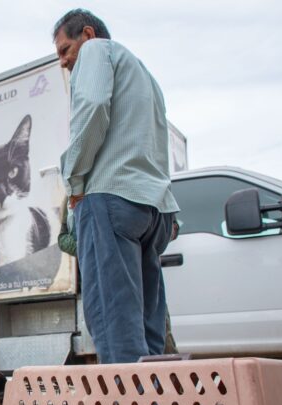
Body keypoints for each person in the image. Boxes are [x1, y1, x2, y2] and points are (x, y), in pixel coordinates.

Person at [53, 9, 179, 364]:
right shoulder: (144, 74)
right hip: (151, 209)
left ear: (88, 35)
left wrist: (75, 181)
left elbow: (92, 107)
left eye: (64, 50)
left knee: (114, 323)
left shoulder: (96, 52)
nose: (63, 62)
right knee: (147, 329)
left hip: (110, 199)